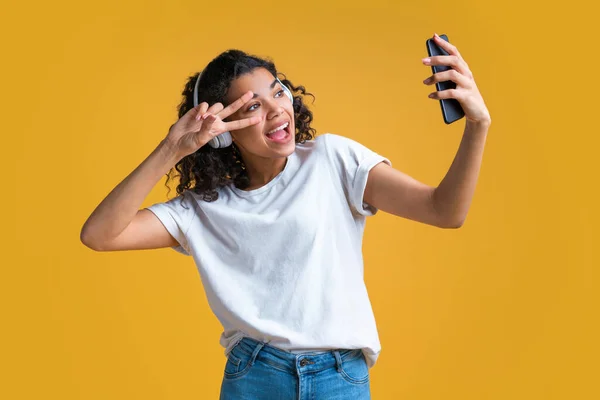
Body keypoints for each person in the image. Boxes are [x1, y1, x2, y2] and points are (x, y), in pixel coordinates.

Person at [81, 37, 491, 400]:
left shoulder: (332, 160)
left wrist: (478, 124)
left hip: (340, 378)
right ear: (223, 131)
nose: (278, 109)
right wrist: (172, 148)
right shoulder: (201, 210)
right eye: (254, 106)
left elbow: (445, 211)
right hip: (255, 378)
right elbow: (99, 234)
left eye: (278, 92)